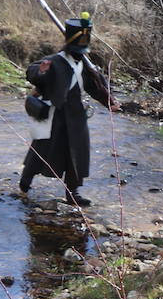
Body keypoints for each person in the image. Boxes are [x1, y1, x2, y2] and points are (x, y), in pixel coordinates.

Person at [19, 13, 118, 207]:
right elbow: (33, 72)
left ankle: (72, 193)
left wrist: (109, 103)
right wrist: (41, 71)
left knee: (77, 154)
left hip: (76, 117)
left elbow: (95, 88)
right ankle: (24, 183)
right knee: (40, 152)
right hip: (53, 115)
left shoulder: (85, 66)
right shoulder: (53, 61)